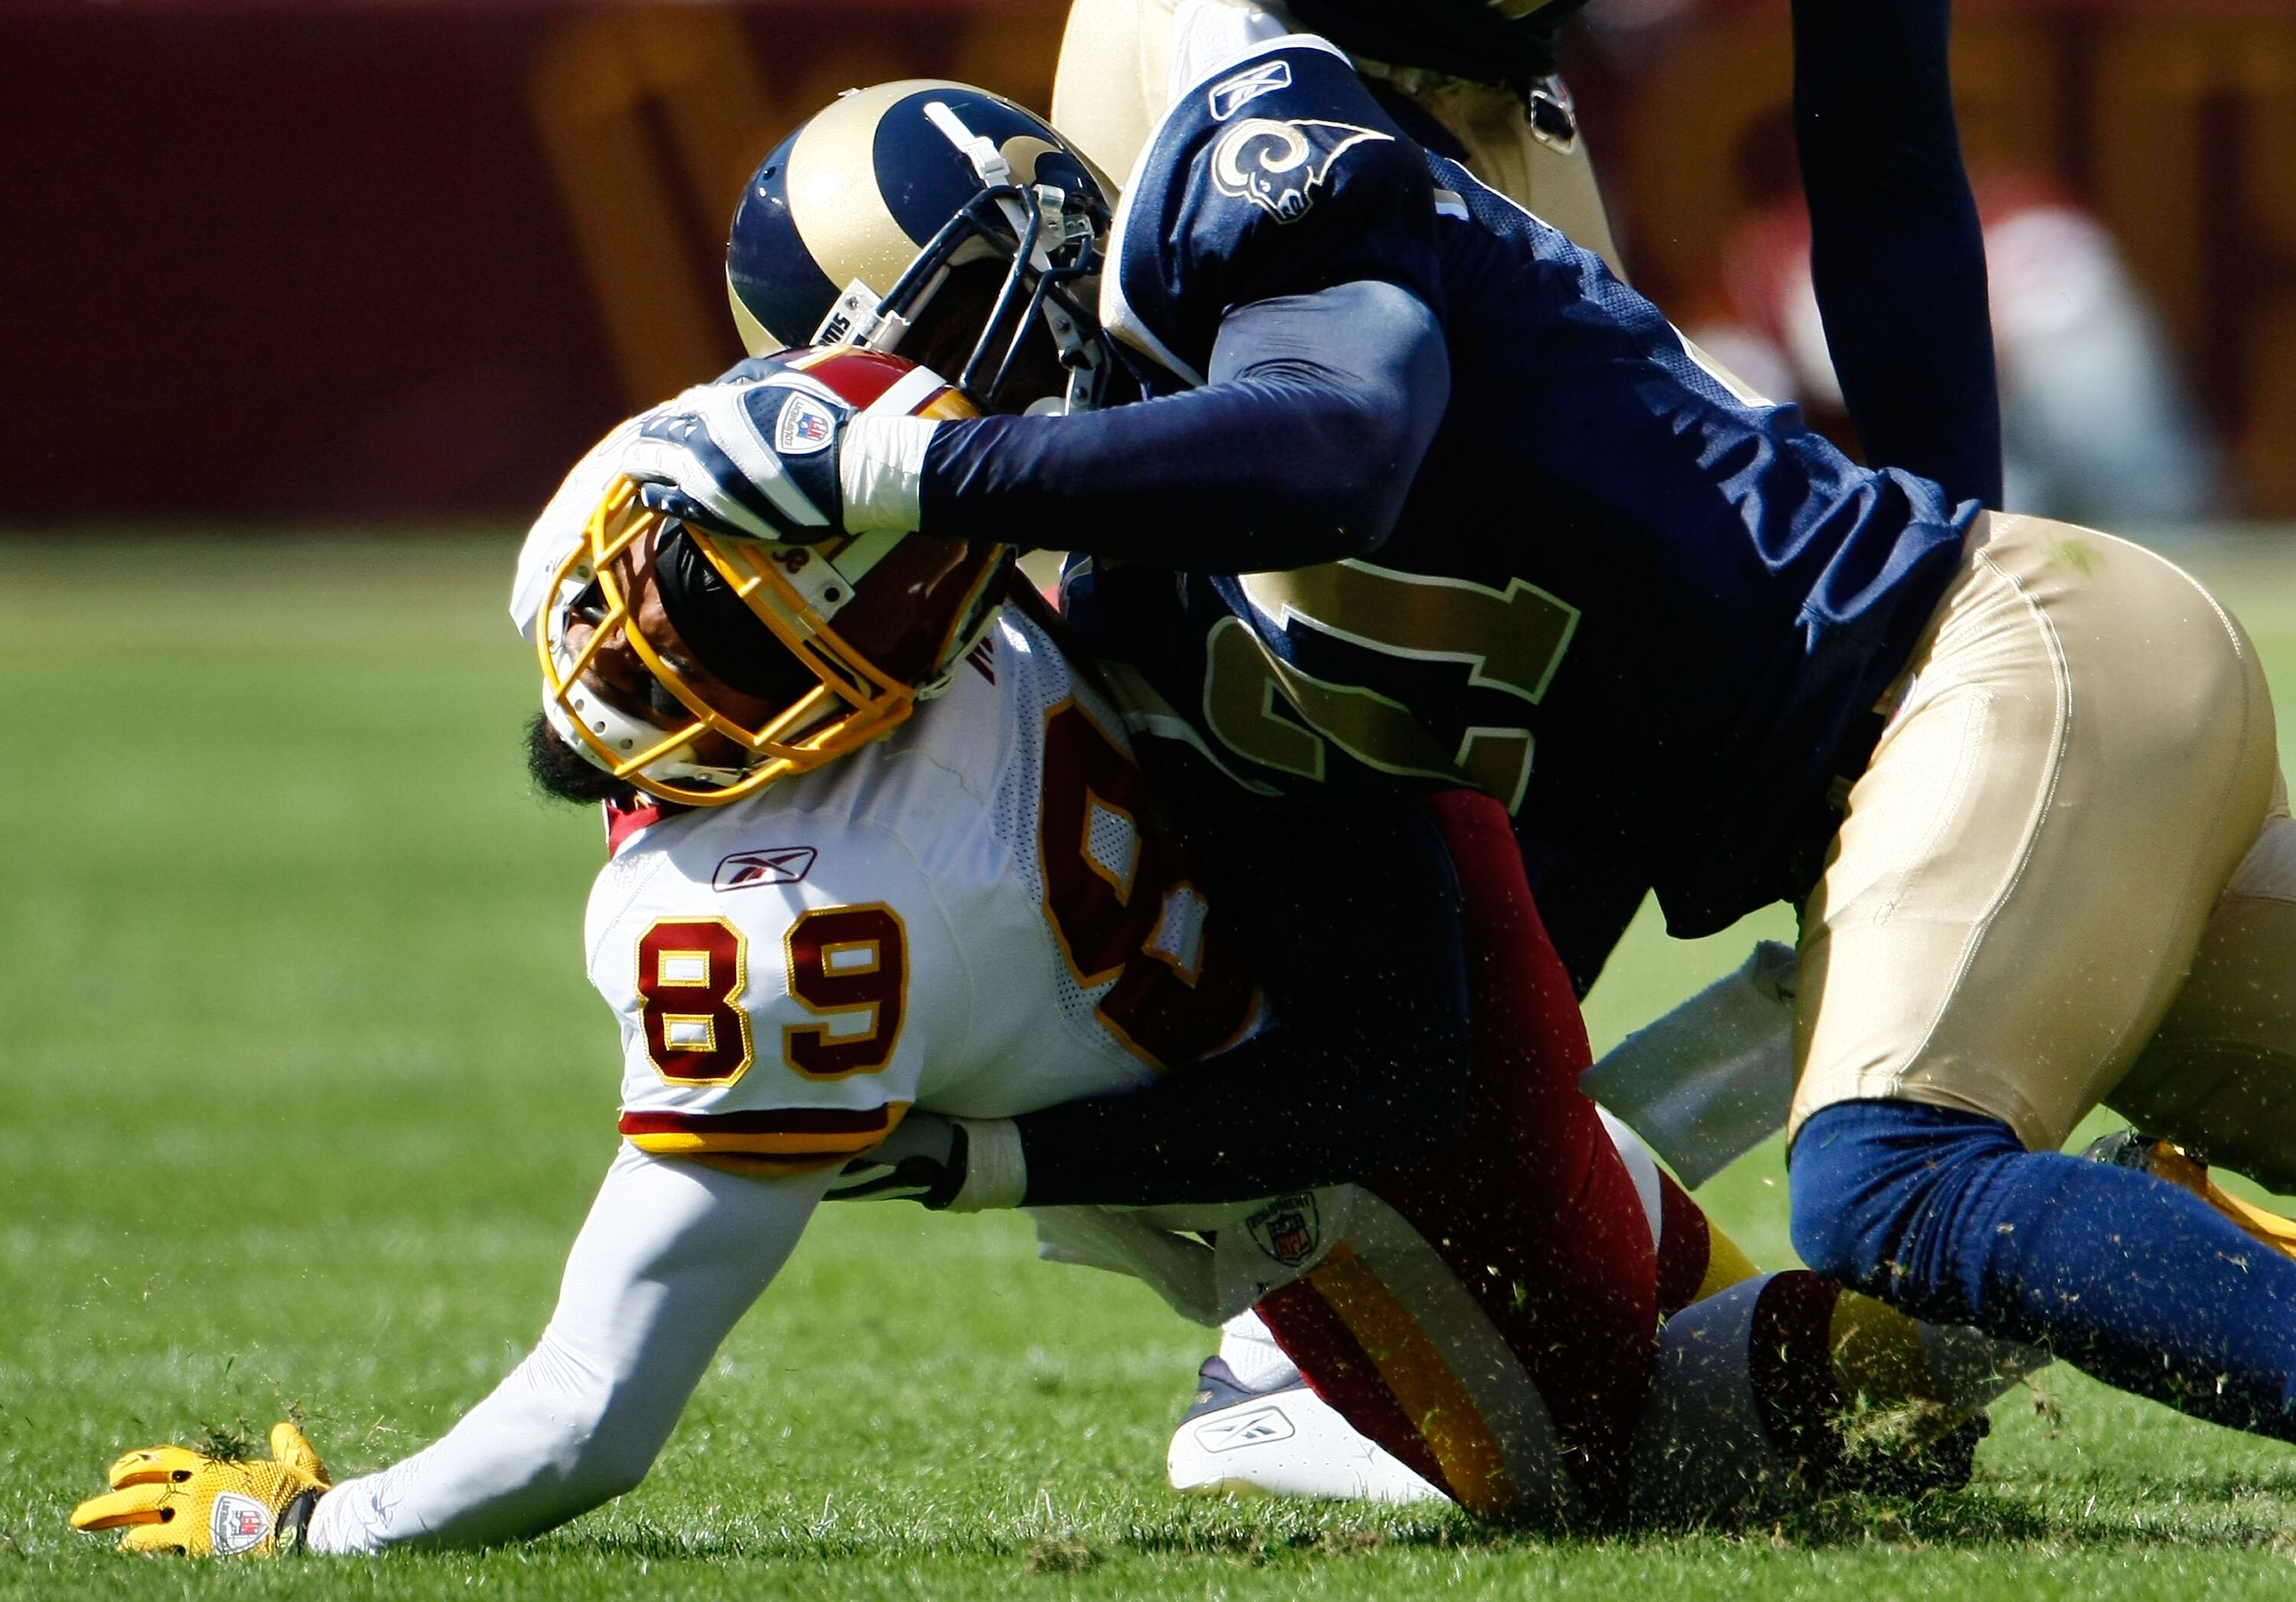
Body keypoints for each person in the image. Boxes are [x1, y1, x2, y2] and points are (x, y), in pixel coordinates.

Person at [71, 354, 2009, 1557]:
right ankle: (1818, 1021)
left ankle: (2015, 1233)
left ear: (856, 680)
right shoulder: (923, 530)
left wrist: (302, 1525)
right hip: (1396, 880)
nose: (641, 649)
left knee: (1655, 1455)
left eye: (741, 639)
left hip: (1344, 1142)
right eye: (676, 584)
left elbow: (588, 1417)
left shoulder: (779, 936)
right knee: (1406, 1303)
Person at [651, 57, 2296, 1457]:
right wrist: (987, 1156)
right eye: (874, 394)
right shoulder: (1148, 621)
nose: (930, 409)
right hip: (1922, 780)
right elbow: (1390, 1065)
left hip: (1978, 655)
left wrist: (914, 467)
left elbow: (1338, 443)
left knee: (1888, 1188)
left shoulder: (1249, 180)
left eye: (935, 356)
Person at [1045, 0, 2004, 520]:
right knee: (1246, 615)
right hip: (1235, 48)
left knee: (1667, 602)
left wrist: (1967, 557)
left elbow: (1883, 169)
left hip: (1494, 100)